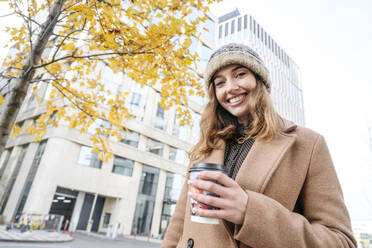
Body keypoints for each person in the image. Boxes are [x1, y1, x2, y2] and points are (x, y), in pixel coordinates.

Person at [161, 43, 357, 248]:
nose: (230, 87)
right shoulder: (205, 148)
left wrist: (250, 212)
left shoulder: (308, 144)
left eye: (240, 74)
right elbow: (178, 228)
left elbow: (341, 241)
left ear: (259, 80)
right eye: (220, 83)